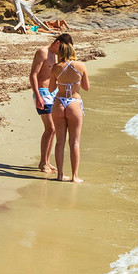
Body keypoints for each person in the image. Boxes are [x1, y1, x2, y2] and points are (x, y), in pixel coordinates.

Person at [46, 34, 89, 183]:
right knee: (74, 142)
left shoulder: (56, 67)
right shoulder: (81, 66)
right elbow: (86, 87)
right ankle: (74, 176)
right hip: (74, 103)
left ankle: (60, 175)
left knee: (60, 141)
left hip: (59, 103)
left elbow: (51, 89)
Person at [29, 19, 67, 172]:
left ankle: (46, 161)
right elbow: (33, 75)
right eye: (62, 48)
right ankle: (42, 162)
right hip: (42, 92)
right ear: (57, 43)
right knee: (50, 128)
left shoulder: (58, 56)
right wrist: (37, 95)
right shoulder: (42, 52)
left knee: (54, 129)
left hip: (54, 93)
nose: (62, 52)